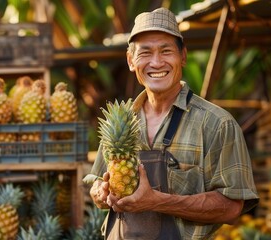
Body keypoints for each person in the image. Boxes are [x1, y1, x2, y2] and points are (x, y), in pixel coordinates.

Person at [83, 7, 259, 240]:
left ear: (183, 56)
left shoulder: (217, 124)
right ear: (130, 61)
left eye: (166, 51)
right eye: (145, 53)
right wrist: (101, 192)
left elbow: (232, 208)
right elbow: (96, 182)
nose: (156, 62)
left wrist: (157, 201)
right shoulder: (120, 120)